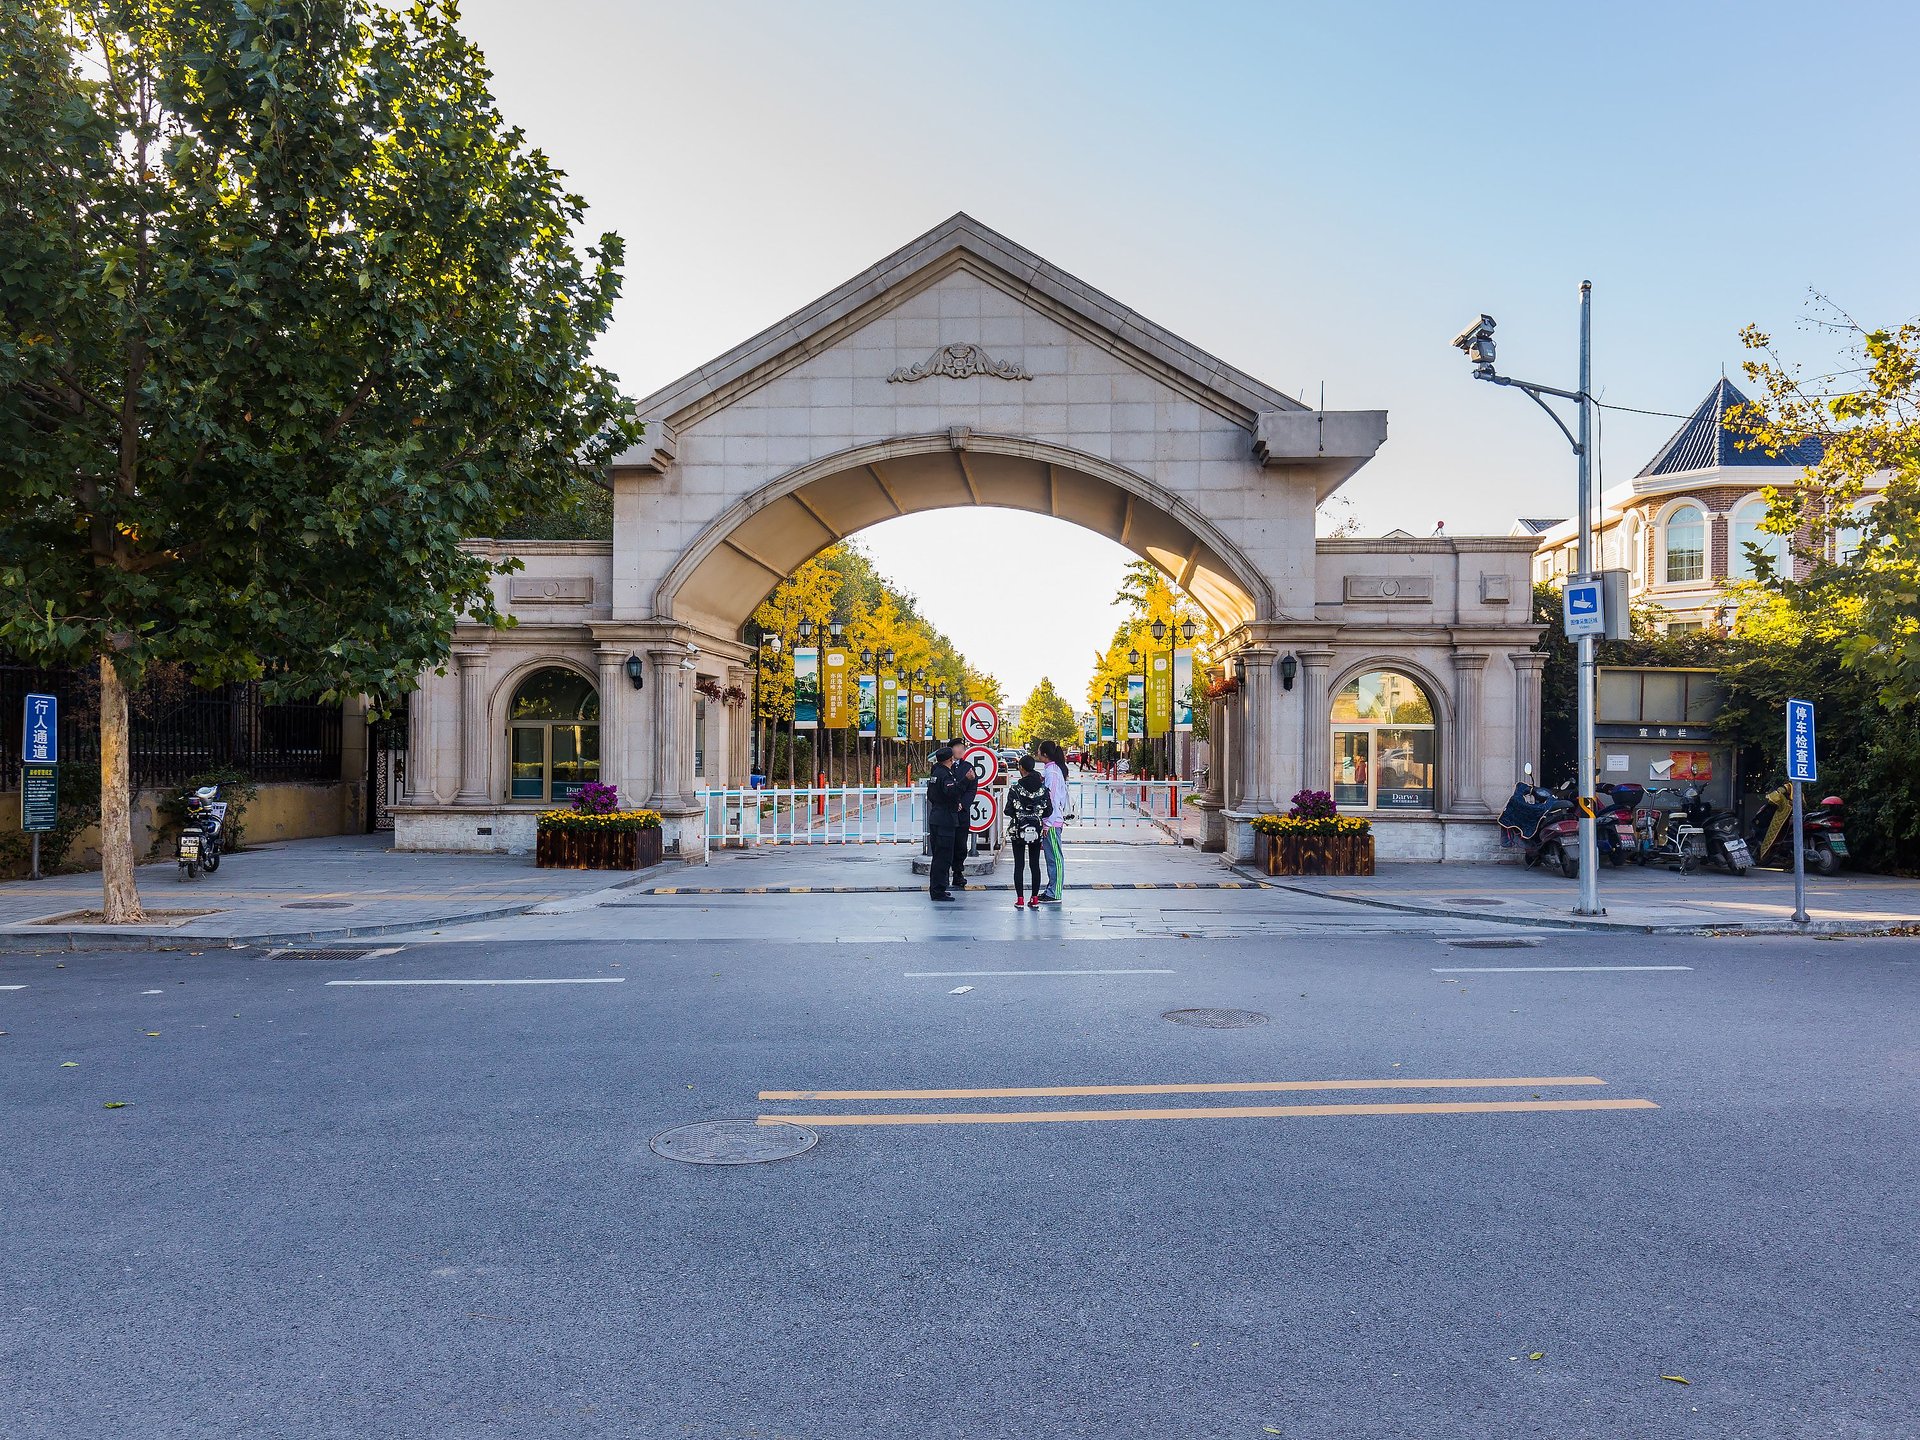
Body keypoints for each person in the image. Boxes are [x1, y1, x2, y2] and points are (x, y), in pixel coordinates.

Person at [1005, 755, 1052, 908]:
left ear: (1022, 768)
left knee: (1019, 865)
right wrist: (1036, 815)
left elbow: (1008, 810)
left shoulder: (1015, 788)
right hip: (1036, 831)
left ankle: (1019, 899)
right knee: (1035, 864)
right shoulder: (1043, 788)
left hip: (1018, 830)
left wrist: (1020, 813)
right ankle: (1034, 898)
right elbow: (1048, 811)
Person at [1034, 738, 1070, 903]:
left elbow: (1053, 800)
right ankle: (1051, 889)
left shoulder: (1053, 773)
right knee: (1051, 858)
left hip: (1053, 823)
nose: (1037, 753)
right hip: (1051, 821)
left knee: (1055, 858)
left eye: (1039, 750)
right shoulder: (1051, 771)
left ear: (1045, 754)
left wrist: (1047, 824)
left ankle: (1055, 893)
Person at [924, 747, 961, 902]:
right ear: (949, 759)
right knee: (943, 856)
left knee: (939, 856)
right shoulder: (944, 774)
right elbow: (951, 792)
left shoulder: (935, 773)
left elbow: (931, 796)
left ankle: (939, 887)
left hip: (937, 817)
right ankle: (938, 890)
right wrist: (965, 781)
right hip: (945, 819)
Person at [947, 740, 979, 891]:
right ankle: (944, 873)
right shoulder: (944, 767)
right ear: (951, 749)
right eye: (957, 747)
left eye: (963, 748)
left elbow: (972, 789)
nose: (960, 750)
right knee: (947, 842)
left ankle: (958, 872)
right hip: (947, 811)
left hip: (962, 812)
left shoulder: (968, 767)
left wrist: (963, 804)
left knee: (960, 843)